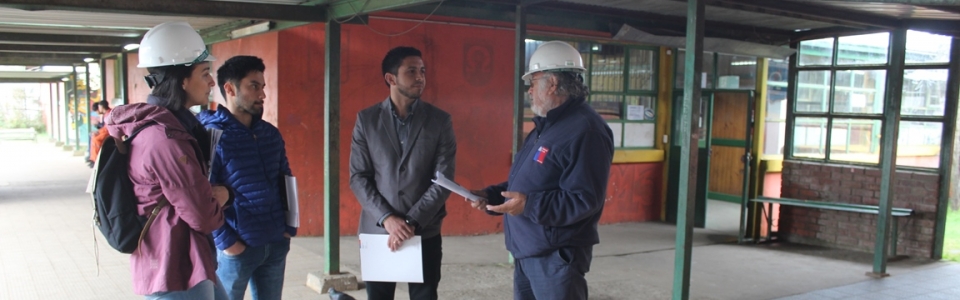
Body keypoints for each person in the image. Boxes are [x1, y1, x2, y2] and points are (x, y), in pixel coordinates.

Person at [467, 41, 614, 300]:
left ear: (554, 83)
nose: (530, 91)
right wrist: (492, 195)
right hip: (529, 250)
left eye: (533, 82)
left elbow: (584, 199)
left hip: (556, 257)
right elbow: (530, 183)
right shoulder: (547, 127)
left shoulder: (585, 130)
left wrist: (528, 205)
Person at [105, 21, 232, 300]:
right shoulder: (166, 138)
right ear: (182, 80)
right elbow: (201, 216)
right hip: (174, 269)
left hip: (186, 262)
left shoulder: (166, 127)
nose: (212, 82)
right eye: (205, 73)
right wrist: (221, 197)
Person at [349, 46, 456, 300]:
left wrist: (409, 222)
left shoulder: (440, 121)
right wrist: (388, 218)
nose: (420, 77)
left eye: (422, 71)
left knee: (425, 296)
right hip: (379, 232)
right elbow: (358, 177)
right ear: (391, 78)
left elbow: (443, 181)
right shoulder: (367, 120)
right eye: (411, 71)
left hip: (424, 230)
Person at [198, 55, 296, 300]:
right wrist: (227, 243)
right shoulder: (212, 136)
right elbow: (203, 196)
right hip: (237, 248)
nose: (262, 94)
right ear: (230, 89)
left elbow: (286, 179)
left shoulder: (270, 134)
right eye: (254, 86)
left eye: (263, 87)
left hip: (275, 244)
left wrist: (289, 229)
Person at [88, 100, 112, 167]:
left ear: (101, 107)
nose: (98, 109)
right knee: (93, 136)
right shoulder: (106, 114)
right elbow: (105, 127)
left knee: (96, 140)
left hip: (109, 133)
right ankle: (93, 158)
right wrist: (98, 131)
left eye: (99, 107)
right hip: (106, 131)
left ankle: (96, 161)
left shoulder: (110, 113)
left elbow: (108, 128)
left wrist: (99, 131)